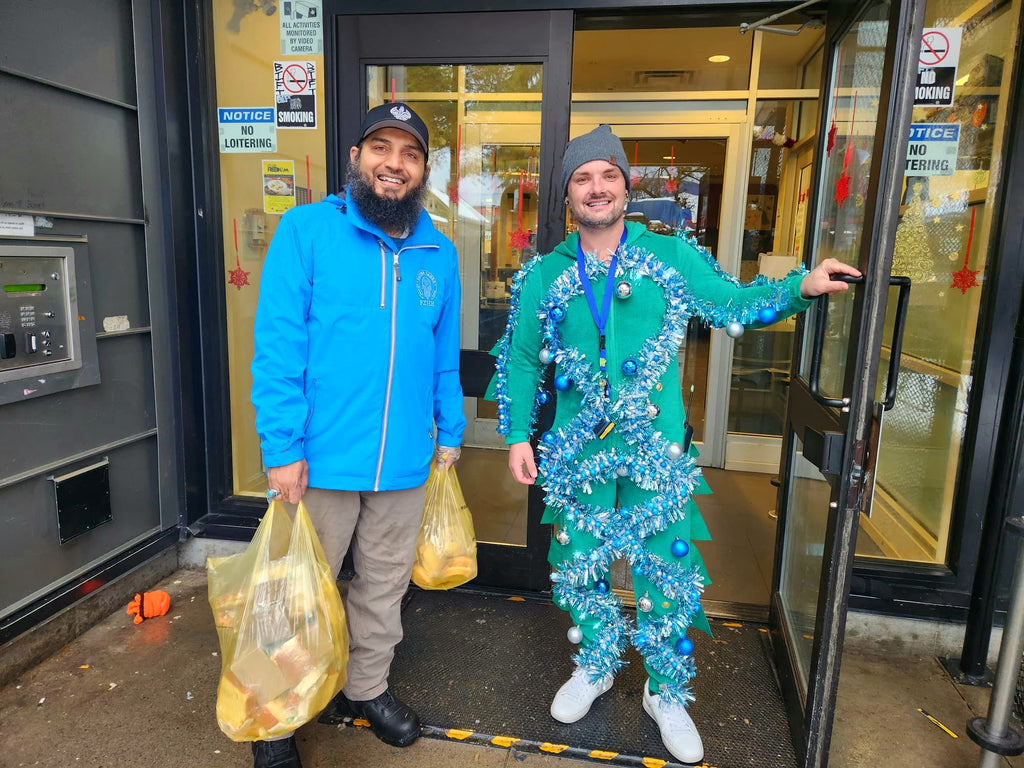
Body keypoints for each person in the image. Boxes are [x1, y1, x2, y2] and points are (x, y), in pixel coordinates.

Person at [491, 125, 858, 764]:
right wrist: (518, 435)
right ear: (567, 195)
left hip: (656, 452)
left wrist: (800, 288)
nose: (596, 188)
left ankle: (665, 691)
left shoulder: (669, 258)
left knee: (665, 570)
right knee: (579, 564)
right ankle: (596, 664)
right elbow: (522, 361)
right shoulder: (546, 274)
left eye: (608, 175)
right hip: (577, 455)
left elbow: (732, 303)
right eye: (582, 178)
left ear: (626, 186)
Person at [249, 102, 466, 768]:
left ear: (423, 170)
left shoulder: (439, 252)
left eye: (409, 154)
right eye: (381, 148)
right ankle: (275, 718)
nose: (393, 164)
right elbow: (278, 347)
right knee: (293, 595)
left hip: (404, 462)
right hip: (319, 462)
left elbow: (443, 356)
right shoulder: (306, 231)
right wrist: (282, 448)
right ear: (356, 156)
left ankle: (365, 687)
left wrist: (450, 430)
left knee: (383, 589)